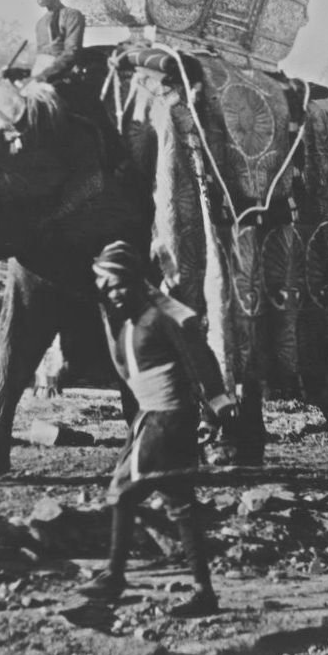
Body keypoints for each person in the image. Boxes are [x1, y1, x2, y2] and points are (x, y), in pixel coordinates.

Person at [77, 241, 239, 617]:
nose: (115, 293)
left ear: (136, 281)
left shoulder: (161, 318)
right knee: (181, 505)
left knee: (123, 490)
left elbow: (198, 355)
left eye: (120, 284)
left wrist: (217, 400)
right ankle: (204, 594)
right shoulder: (129, 323)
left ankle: (114, 579)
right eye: (107, 287)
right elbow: (123, 365)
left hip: (167, 419)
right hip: (152, 419)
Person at [3, 0, 85, 87]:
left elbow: (71, 54)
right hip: (41, 80)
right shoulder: (41, 23)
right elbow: (40, 63)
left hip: (63, 81)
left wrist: (41, 77)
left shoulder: (72, 16)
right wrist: (15, 72)